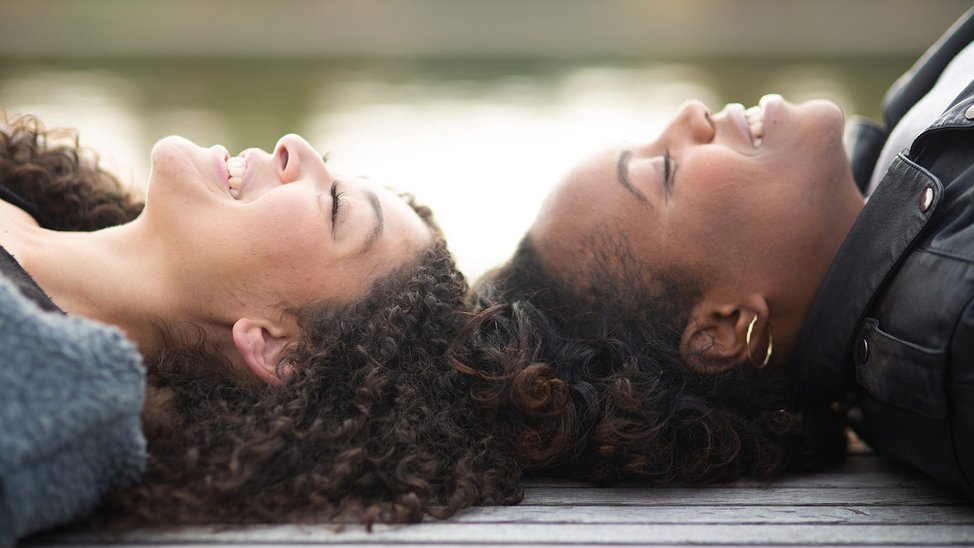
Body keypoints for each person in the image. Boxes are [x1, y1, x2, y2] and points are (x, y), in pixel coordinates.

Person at [456, 8, 974, 496]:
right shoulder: (959, 320)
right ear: (723, 331)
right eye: (664, 170)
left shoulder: (901, 170)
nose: (691, 113)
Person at [0, 112, 522, 544]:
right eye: (333, 171)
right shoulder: (21, 188)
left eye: (335, 205)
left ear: (274, 348)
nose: (295, 145)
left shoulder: (54, 391)